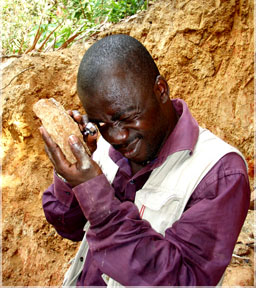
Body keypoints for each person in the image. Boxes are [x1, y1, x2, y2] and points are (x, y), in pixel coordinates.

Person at [40, 34, 250, 287]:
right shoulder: (102, 147)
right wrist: (71, 174)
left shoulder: (220, 173)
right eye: (102, 123)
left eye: (127, 116)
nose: (117, 136)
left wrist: (99, 201)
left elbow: (183, 280)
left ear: (161, 90)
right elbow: (68, 227)